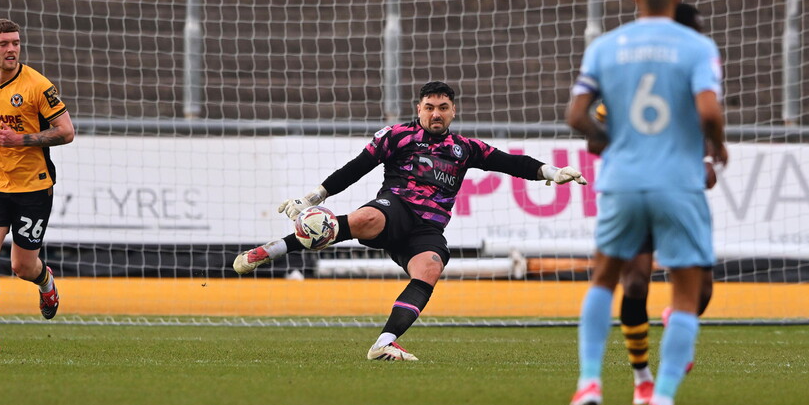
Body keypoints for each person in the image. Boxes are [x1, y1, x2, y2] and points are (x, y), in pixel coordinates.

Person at [233, 81, 587, 361]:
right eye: (429, 107)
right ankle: (271, 250)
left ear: (453, 112)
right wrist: (314, 197)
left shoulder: (466, 148)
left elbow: (512, 162)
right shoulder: (397, 136)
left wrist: (553, 173)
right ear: (418, 109)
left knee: (431, 267)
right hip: (395, 208)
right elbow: (356, 168)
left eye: (443, 108)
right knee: (367, 217)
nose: (436, 113)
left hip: (427, 229)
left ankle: (385, 343)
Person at [562, 0, 727, 405]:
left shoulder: (606, 46)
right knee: (688, 293)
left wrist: (614, 142)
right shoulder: (697, 49)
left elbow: (577, 115)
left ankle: (589, 382)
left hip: (623, 180)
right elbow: (710, 112)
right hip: (678, 182)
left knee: (603, 280)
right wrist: (719, 144)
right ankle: (661, 403)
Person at [594, 2, 717, 405]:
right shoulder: (681, 60)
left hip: (674, 186)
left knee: (699, 291)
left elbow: (699, 123)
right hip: (639, 186)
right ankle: (644, 379)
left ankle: (665, 335)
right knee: (635, 281)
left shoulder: (687, 68)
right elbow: (594, 130)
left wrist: (705, 160)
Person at [0, 18, 75, 352]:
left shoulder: (38, 86)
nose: (12, 49)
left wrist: (21, 139)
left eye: (16, 43)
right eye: (4, 44)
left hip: (33, 187)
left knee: (23, 267)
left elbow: (66, 131)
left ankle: (46, 282)